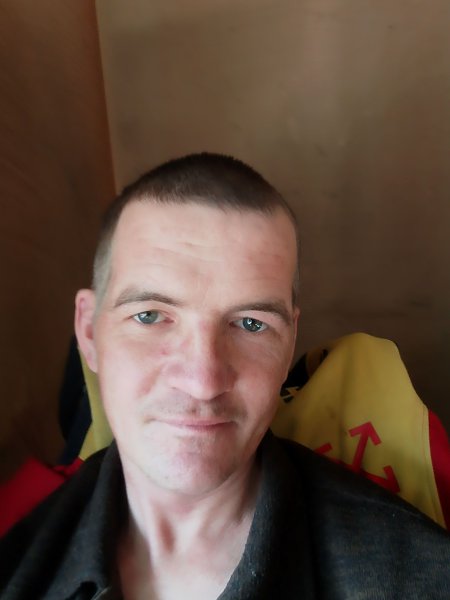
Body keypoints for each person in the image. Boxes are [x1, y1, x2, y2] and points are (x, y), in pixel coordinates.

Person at [1, 153, 450, 599]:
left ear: (290, 341)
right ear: (88, 332)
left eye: (251, 324)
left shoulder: (420, 578)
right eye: (150, 315)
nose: (202, 382)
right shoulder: (14, 567)